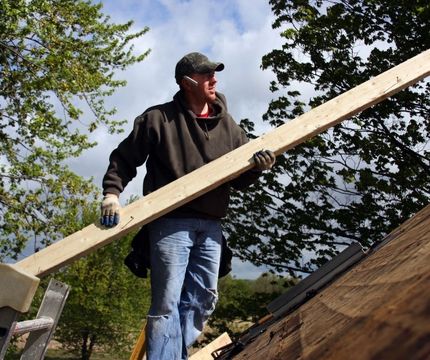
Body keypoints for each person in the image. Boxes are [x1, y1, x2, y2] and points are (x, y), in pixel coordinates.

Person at [100, 52, 276, 360]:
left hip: (211, 226)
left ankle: (174, 355)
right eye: (207, 75)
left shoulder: (229, 126)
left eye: (214, 74)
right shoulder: (158, 119)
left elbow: (239, 180)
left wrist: (258, 167)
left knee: (202, 299)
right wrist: (112, 194)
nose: (214, 80)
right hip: (171, 222)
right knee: (167, 303)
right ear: (187, 83)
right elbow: (125, 158)